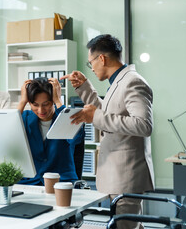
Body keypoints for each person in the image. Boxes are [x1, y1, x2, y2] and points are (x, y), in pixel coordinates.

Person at [61, 34, 154, 229]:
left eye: (91, 63)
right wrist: (84, 87)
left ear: (101, 58)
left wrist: (95, 117)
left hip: (126, 178)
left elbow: (143, 125)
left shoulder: (133, 82)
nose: (92, 68)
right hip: (118, 176)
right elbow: (107, 112)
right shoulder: (119, 81)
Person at [17, 77, 85, 185]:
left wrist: (58, 101)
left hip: (60, 182)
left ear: (52, 101)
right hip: (29, 182)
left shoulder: (69, 118)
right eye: (35, 105)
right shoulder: (24, 118)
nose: (41, 110)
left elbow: (76, 139)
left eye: (46, 104)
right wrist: (22, 101)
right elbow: (6, 137)